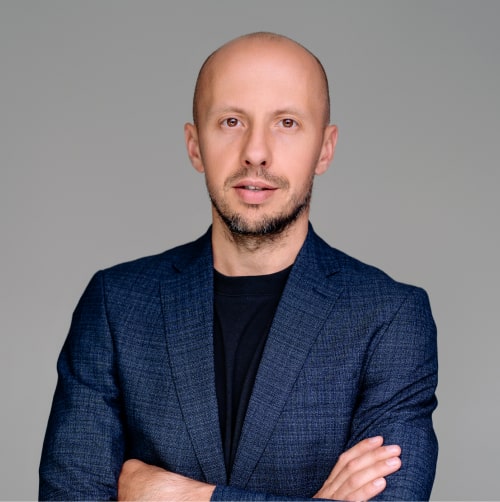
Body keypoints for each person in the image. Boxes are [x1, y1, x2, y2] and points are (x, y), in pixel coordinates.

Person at [39, 32, 438, 501]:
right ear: (194, 145)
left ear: (325, 149)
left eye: (286, 122)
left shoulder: (390, 316)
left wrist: (185, 496)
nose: (256, 151)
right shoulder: (116, 305)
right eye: (231, 121)